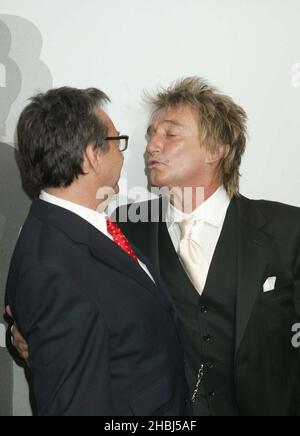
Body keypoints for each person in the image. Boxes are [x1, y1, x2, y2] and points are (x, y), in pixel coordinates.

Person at [10, 77, 300, 416]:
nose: (151, 146)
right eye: (150, 134)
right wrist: (24, 338)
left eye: (170, 134)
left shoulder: (286, 229)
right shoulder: (121, 228)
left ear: (216, 148)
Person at [5, 87, 191, 416]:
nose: (124, 154)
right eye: (117, 143)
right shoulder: (52, 267)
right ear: (92, 155)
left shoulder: (88, 228)